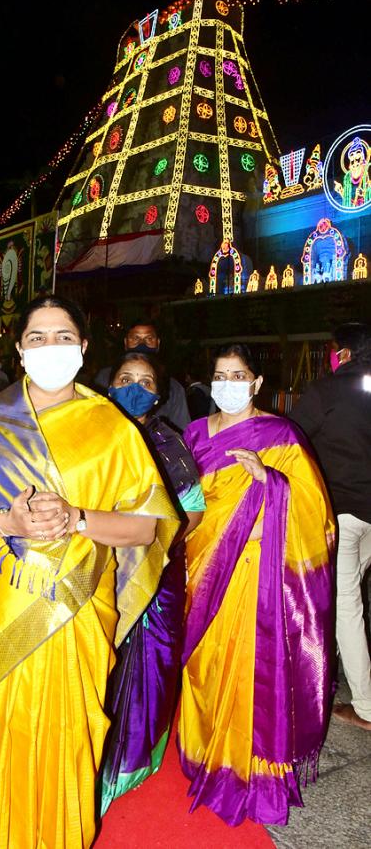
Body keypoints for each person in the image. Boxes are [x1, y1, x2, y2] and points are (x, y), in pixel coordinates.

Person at [0, 295, 179, 849]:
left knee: (64, 733)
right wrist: (5, 519)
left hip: (75, 612)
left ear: (83, 347)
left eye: (63, 336)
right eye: (37, 338)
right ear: (20, 350)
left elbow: (147, 529)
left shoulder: (112, 429)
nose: (51, 347)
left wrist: (76, 518)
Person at [179, 343, 335, 826]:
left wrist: (269, 480)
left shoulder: (281, 435)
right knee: (204, 662)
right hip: (201, 568)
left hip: (254, 574)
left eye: (238, 374)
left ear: (257, 384)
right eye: (220, 374)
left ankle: (247, 768)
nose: (229, 383)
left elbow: (317, 518)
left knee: (247, 668)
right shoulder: (193, 433)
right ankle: (204, 751)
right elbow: (182, 500)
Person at [99, 352, 205, 813]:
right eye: (126, 378)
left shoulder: (168, 441)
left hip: (157, 574)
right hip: (95, 567)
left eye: (145, 382)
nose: (135, 388)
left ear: (159, 395)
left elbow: (194, 510)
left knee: (151, 667)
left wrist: (149, 547)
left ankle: (130, 762)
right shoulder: (89, 432)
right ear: (109, 384)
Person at [290, 323, 371, 731]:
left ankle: (365, 705)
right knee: (348, 593)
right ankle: (327, 667)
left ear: (345, 352)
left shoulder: (328, 391)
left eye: (331, 349)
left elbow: (292, 438)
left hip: (345, 510)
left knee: (345, 604)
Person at [94, 319, 190, 431]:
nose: (142, 344)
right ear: (126, 342)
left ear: (158, 343)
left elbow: (182, 431)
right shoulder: (104, 377)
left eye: (149, 338)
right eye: (135, 338)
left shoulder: (174, 388)